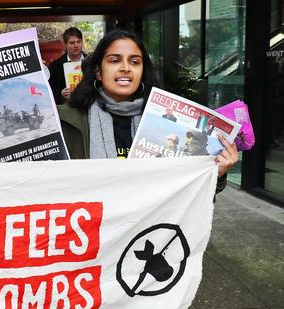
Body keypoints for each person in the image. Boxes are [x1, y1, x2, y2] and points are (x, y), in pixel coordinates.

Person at [57, 29, 237, 191]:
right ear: (98, 71)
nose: (126, 68)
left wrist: (217, 174)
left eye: (134, 62)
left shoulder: (166, 119)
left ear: (142, 71)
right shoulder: (68, 121)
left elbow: (184, 193)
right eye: (114, 60)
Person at [48, 27, 88, 104]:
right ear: (65, 44)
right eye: (72, 43)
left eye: (78, 42)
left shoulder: (91, 62)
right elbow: (49, 90)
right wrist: (61, 93)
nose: (76, 45)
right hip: (66, 107)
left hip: (88, 106)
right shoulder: (55, 66)